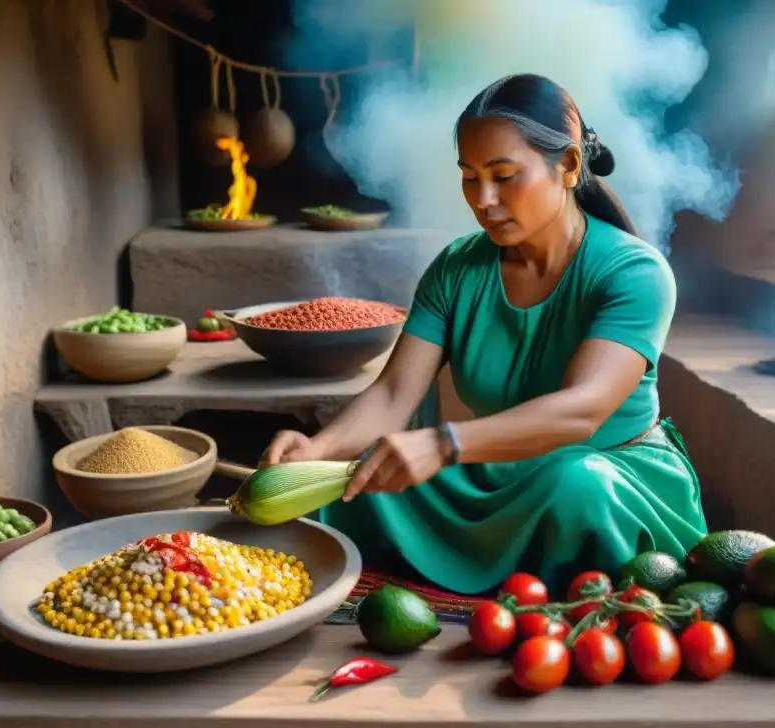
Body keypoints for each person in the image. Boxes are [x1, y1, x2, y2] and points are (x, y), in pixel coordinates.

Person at [260, 73, 707, 595]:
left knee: (575, 484)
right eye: (470, 177)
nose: (483, 199)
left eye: (504, 175)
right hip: (495, 470)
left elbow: (582, 410)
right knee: (363, 480)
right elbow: (393, 392)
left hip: (611, 479)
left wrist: (443, 444)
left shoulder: (635, 273)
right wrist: (318, 450)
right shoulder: (457, 268)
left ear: (567, 166)